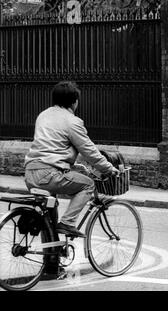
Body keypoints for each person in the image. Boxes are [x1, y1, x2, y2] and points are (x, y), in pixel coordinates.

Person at [24, 81, 119, 238]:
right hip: (49, 175)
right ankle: (68, 223)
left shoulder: (43, 115)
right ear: (75, 101)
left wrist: (75, 167)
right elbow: (89, 151)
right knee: (88, 185)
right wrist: (109, 168)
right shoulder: (72, 121)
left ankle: (51, 259)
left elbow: (52, 147)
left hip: (30, 173)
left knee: (49, 219)